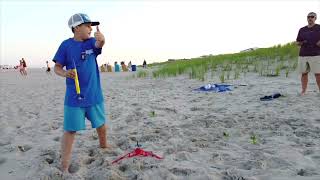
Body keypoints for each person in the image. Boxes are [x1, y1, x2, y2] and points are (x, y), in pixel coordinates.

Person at [52, 13, 109, 173]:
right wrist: (65, 73)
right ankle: (64, 165)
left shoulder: (91, 42)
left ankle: (104, 147)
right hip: (74, 97)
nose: (90, 29)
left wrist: (102, 39)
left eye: (92, 26)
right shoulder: (65, 45)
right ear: (76, 27)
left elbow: (99, 44)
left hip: (94, 94)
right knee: (70, 130)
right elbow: (57, 67)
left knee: (101, 125)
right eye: (87, 25)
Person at [296, 12, 320, 95]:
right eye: (308, 17)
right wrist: (300, 43)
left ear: (315, 18)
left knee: (318, 74)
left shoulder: (319, 27)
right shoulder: (302, 29)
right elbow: (298, 41)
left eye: (312, 17)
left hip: (316, 54)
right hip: (303, 54)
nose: (310, 18)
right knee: (304, 73)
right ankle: (304, 91)